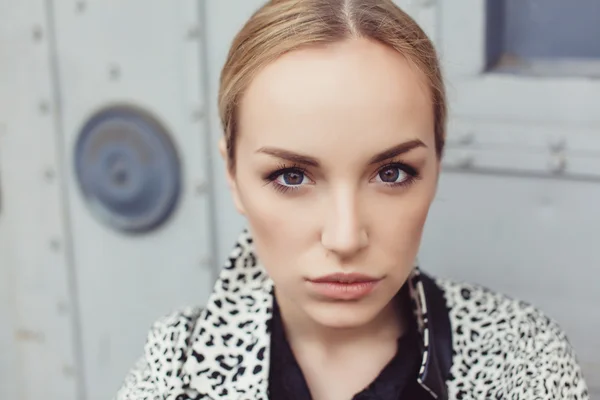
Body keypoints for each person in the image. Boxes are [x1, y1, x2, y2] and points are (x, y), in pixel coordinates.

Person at [115, 0, 590, 399]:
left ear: (437, 166)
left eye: (391, 172)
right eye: (292, 176)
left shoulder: (520, 356)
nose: (345, 238)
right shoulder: (174, 369)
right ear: (233, 176)